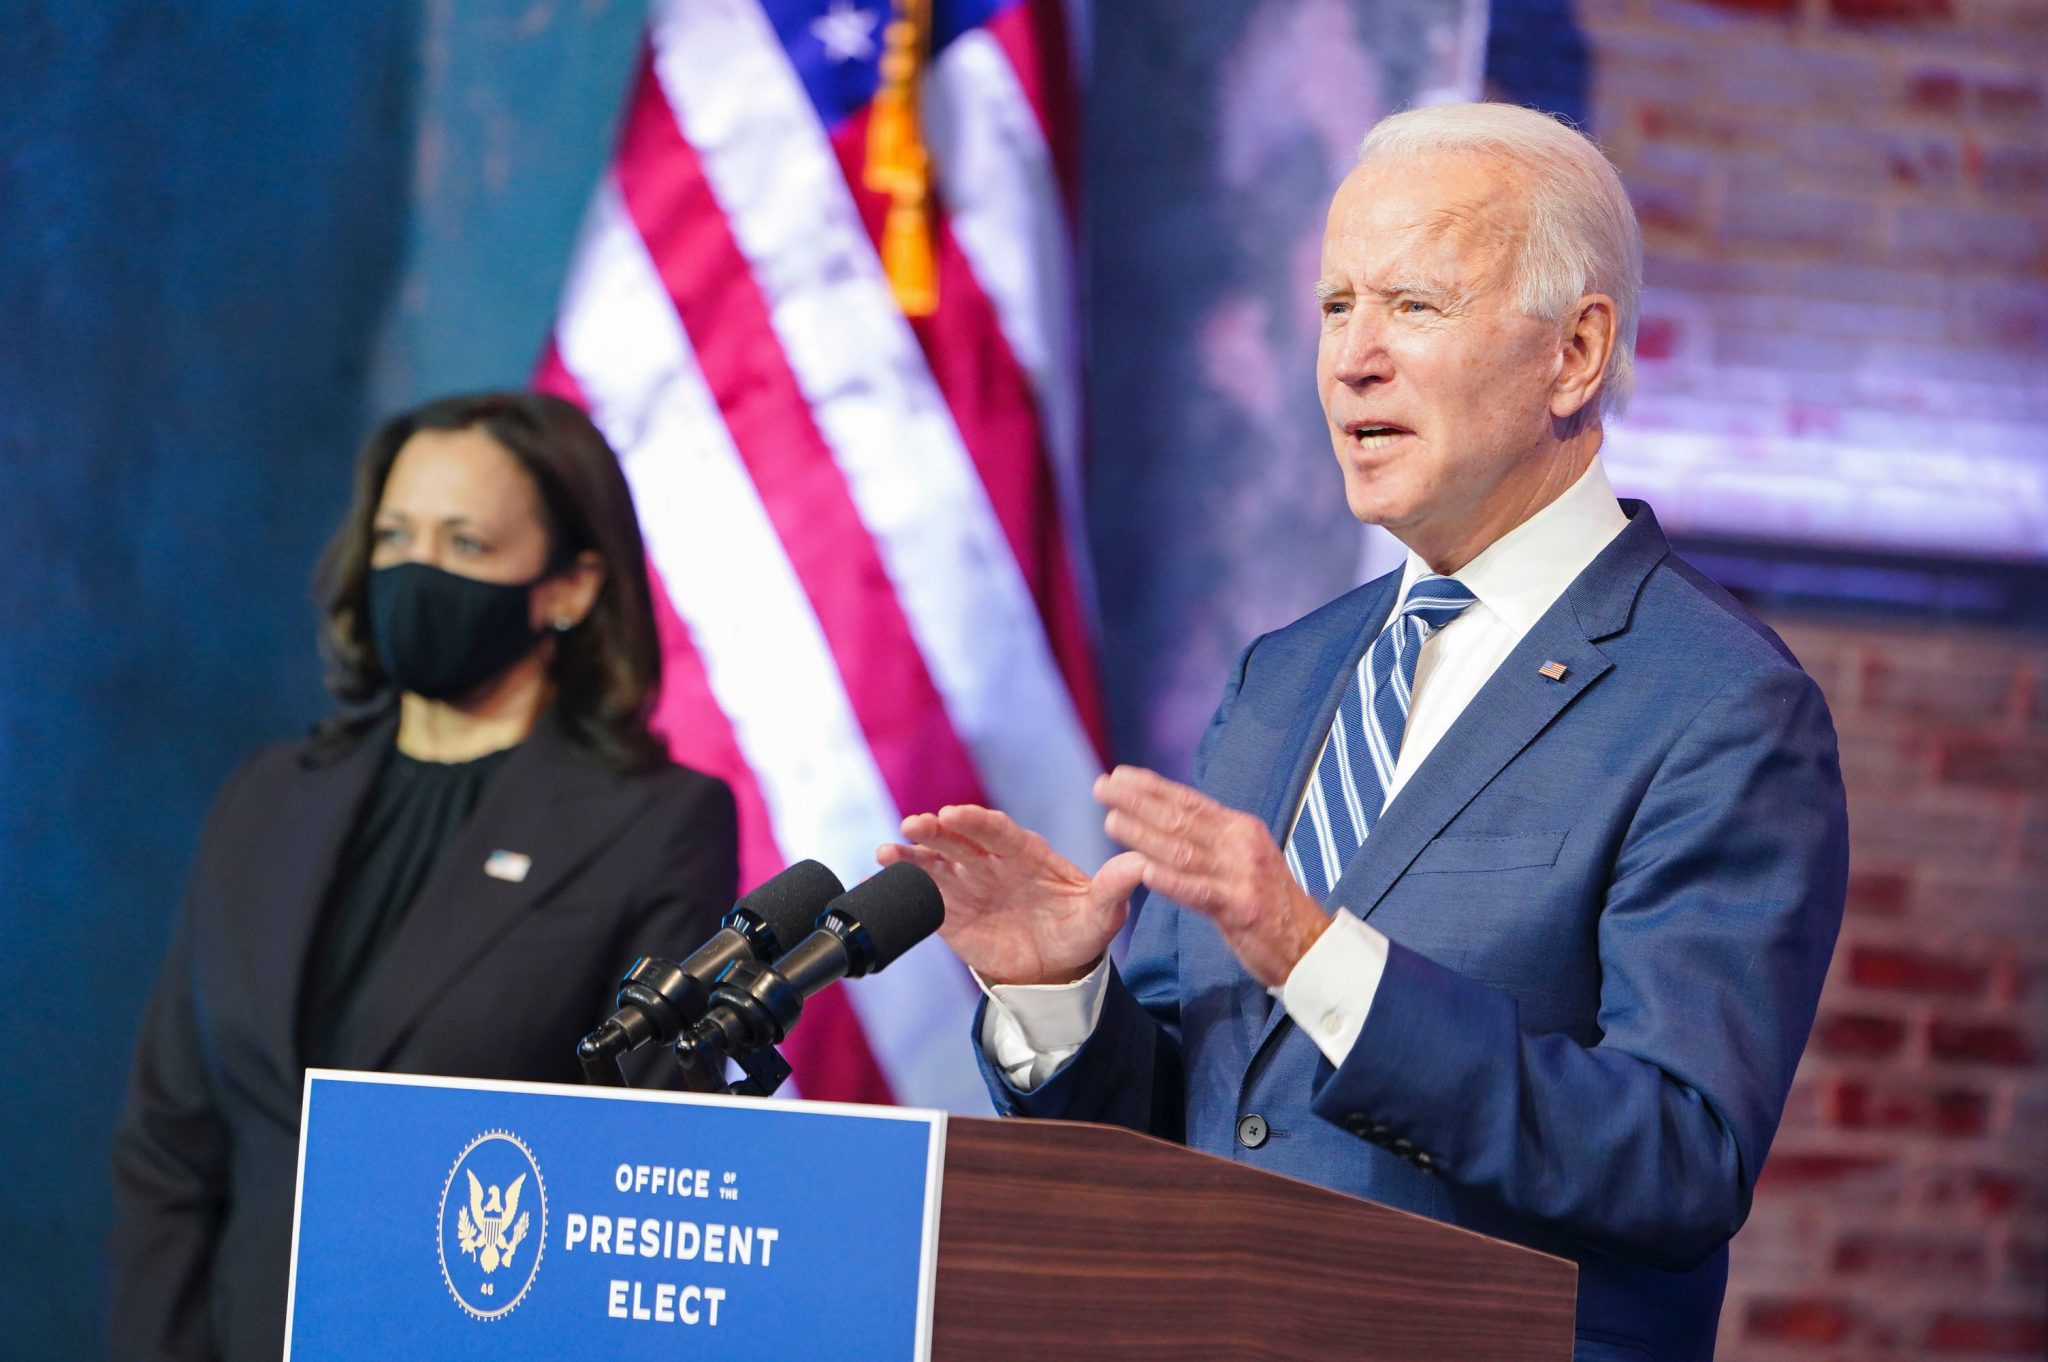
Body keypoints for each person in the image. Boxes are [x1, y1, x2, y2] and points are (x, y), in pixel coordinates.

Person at [884, 104, 1847, 1360]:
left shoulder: (1717, 706)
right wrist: (1058, 992)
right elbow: (1198, 1122)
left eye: (1413, 306)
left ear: (1572, 352)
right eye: (1335, 306)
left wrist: (1316, 955)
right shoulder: (1287, 674)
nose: (1351, 358)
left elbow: (1673, 1161)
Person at [109, 392, 739, 1362]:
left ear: (569, 589)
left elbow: (640, 1180)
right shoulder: (269, 795)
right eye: (396, 536)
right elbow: (172, 1146)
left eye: (465, 545)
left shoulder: (655, 825)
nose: (417, 571)